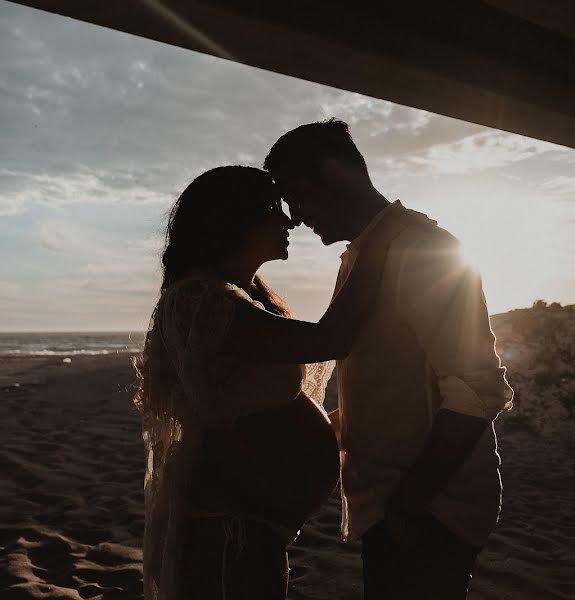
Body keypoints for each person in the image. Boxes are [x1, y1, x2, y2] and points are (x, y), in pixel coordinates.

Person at [133, 165, 411, 599]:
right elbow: (329, 338)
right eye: (275, 211)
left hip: (248, 531)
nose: (289, 221)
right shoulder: (200, 302)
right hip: (225, 532)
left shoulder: (235, 297)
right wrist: (375, 245)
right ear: (235, 220)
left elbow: (259, 406)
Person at [264, 119, 514, 599]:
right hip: (398, 503)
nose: (293, 217)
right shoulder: (368, 254)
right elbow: (389, 380)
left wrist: (409, 505)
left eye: (293, 194)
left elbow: (478, 386)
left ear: (333, 174)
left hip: (432, 508)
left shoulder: (424, 248)